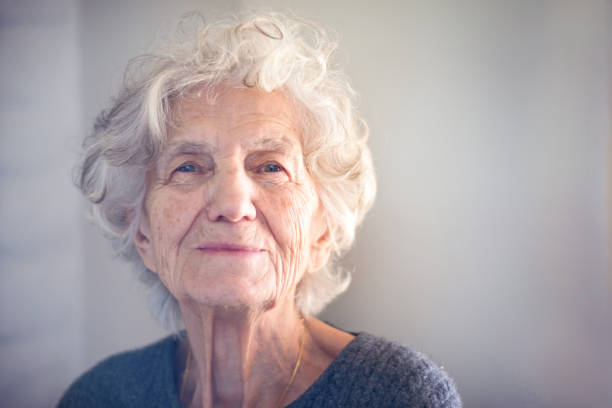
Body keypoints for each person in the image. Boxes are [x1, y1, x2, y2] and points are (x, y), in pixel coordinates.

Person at [59, 11, 461, 408]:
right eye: (188, 167)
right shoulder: (100, 396)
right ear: (141, 231)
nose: (232, 205)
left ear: (321, 230)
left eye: (271, 167)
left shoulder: (399, 396)